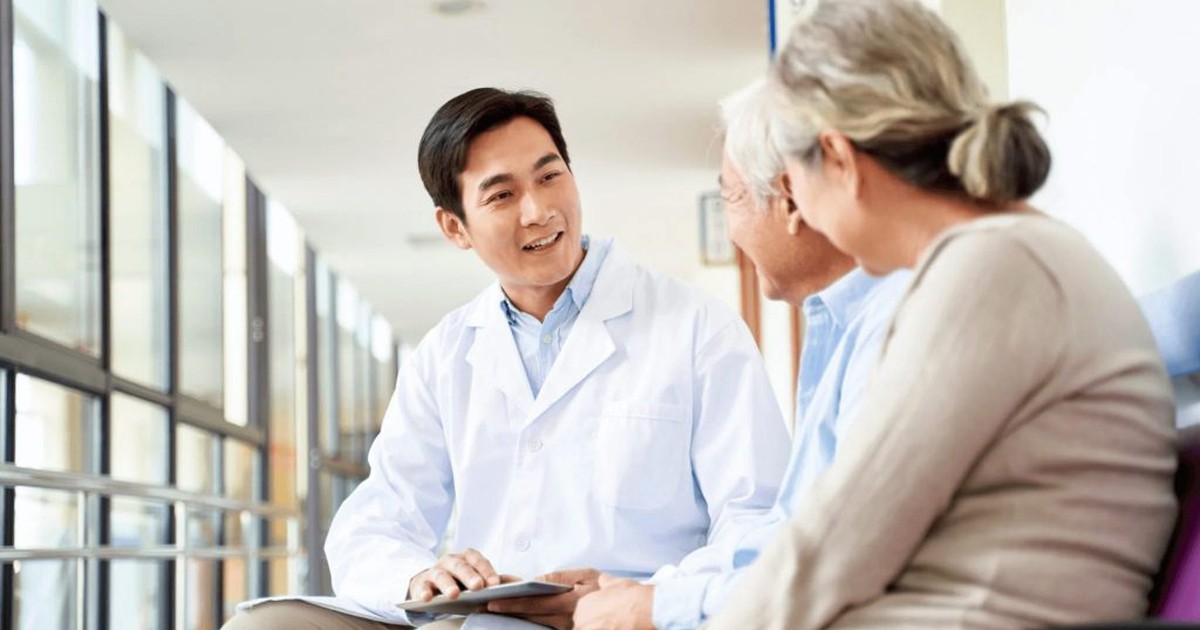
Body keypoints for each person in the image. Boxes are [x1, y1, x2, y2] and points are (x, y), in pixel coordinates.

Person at [222, 88, 789, 630]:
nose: (538, 210)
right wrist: (419, 576)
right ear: (454, 227)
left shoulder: (697, 328)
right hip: (481, 613)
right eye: (501, 195)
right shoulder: (446, 353)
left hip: (621, 613)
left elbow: (756, 519)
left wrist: (650, 597)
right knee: (265, 625)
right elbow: (376, 521)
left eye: (550, 176)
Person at [703, 1, 1178, 628]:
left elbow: (835, 543)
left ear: (838, 158)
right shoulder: (998, 257)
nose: (800, 210)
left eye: (794, 176)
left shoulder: (991, 268)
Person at [573, 80, 912, 630]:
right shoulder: (839, 328)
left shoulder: (894, 326)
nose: (730, 231)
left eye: (729, 198)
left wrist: (655, 609)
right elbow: (786, 532)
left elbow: (843, 562)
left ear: (790, 199)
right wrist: (655, 591)